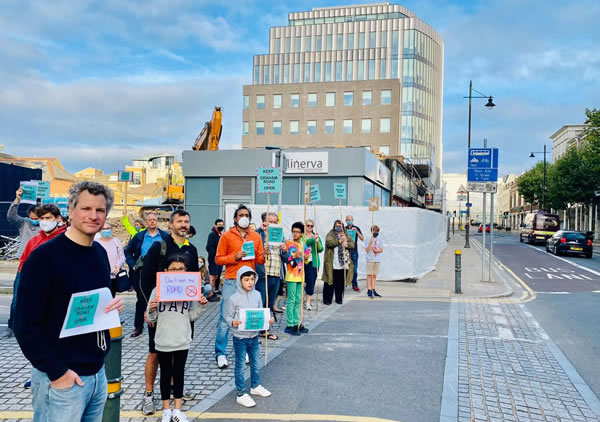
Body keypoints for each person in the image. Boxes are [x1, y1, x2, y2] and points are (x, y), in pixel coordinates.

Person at [14, 181, 124, 422]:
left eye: (100, 210)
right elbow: (24, 325)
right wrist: (58, 373)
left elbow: (90, 305)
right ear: (71, 211)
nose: (93, 216)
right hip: (62, 379)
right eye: (86, 209)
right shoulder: (45, 257)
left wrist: (110, 306)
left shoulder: (100, 253)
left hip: (96, 374)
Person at [139, 209, 200, 416]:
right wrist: (150, 309)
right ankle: (148, 394)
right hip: (160, 314)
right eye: (180, 221)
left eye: (187, 221)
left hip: (182, 313)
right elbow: (145, 280)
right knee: (155, 352)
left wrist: (197, 304)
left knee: (179, 351)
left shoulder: (192, 250)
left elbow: (194, 283)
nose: (184, 224)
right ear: (170, 225)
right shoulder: (159, 247)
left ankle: (174, 393)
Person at [147, 255, 208, 422]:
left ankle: (177, 410)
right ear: (165, 271)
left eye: (180, 269)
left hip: (182, 339)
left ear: (186, 271)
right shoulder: (156, 290)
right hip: (163, 340)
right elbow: (151, 319)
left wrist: (202, 306)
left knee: (179, 373)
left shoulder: (189, 288)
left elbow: (192, 315)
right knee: (165, 374)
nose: (177, 272)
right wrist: (151, 310)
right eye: (173, 269)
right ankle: (166, 410)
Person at [214, 205, 265, 369]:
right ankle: (220, 353)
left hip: (249, 280)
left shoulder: (256, 236)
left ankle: (246, 352)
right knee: (225, 318)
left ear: (250, 218)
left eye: (247, 215)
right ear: (235, 218)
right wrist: (234, 257)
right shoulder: (227, 236)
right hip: (231, 280)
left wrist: (265, 254)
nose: (244, 217)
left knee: (248, 316)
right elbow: (218, 259)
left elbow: (259, 260)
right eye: (241, 215)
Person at [224, 266, 273, 408]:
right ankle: (240, 392)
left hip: (254, 336)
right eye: (246, 280)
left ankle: (255, 385)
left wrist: (268, 319)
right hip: (239, 337)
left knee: (255, 362)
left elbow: (260, 312)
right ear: (240, 281)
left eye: (252, 279)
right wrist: (232, 322)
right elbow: (227, 316)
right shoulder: (233, 299)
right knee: (240, 365)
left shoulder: (257, 295)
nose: (250, 282)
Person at [124, 212, 169, 338]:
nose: (152, 222)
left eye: (154, 219)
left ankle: (159, 324)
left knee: (160, 298)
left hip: (160, 271)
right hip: (142, 271)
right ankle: (138, 327)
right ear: (146, 222)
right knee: (141, 300)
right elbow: (127, 251)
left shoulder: (165, 236)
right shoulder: (139, 236)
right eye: (149, 220)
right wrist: (133, 264)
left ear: (157, 221)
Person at [6, 187, 39, 331]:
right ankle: (13, 323)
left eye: (37, 219)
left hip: (40, 265)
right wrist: (17, 200)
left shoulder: (46, 227)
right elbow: (11, 217)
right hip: (24, 264)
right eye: (32, 218)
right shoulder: (24, 223)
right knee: (18, 297)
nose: (34, 221)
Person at [256, 212, 288, 340]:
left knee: (270, 302)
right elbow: (251, 241)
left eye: (275, 221)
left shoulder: (280, 237)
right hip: (263, 274)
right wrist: (260, 229)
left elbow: (285, 259)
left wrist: (284, 250)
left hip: (276, 274)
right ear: (264, 222)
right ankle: (259, 329)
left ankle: (265, 329)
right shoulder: (259, 234)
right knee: (261, 301)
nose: (273, 224)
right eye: (271, 221)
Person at [284, 222, 309, 336]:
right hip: (291, 275)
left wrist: (306, 256)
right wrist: (295, 255)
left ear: (302, 233)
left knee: (298, 300)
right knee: (291, 300)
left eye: (297, 232)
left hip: (300, 275)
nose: (295, 234)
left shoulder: (304, 244)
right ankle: (290, 324)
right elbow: (287, 257)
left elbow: (307, 260)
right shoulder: (289, 243)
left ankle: (297, 322)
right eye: (293, 231)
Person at [322, 220, 355, 305]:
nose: (338, 227)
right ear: (334, 226)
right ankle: (327, 300)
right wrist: (340, 241)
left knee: (340, 283)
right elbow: (330, 243)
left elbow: (352, 244)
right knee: (329, 282)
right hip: (332, 262)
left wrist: (346, 244)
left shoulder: (346, 234)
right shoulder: (331, 234)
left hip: (343, 264)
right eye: (337, 226)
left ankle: (339, 299)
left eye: (340, 226)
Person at [95, 222, 126, 297]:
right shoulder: (96, 242)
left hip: (114, 276)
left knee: (111, 296)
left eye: (108, 228)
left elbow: (122, 257)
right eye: (104, 229)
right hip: (101, 277)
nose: (106, 230)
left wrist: (118, 265)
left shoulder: (116, 241)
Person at [303, 219, 323, 310]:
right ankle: (297, 301)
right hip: (302, 262)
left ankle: (308, 302)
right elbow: (305, 243)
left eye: (311, 226)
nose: (310, 227)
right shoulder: (302, 236)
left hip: (313, 262)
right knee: (300, 282)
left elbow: (320, 249)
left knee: (311, 282)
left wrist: (317, 242)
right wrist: (312, 240)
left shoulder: (316, 236)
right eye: (308, 225)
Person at [345, 215, 364, 292]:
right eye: (347, 220)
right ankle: (345, 282)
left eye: (350, 219)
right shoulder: (344, 229)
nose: (349, 221)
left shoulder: (356, 228)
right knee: (345, 268)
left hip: (354, 251)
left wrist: (357, 231)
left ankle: (355, 285)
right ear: (345, 220)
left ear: (353, 220)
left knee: (355, 269)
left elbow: (362, 238)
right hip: (346, 251)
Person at [206, 219, 225, 295]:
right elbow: (209, 247)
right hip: (214, 259)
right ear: (215, 225)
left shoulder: (221, 235)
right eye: (219, 225)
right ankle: (210, 293)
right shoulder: (212, 235)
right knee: (212, 276)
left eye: (222, 225)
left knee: (217, 276)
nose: (221, 226)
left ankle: (214, 291)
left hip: (220, 259)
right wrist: (215, 256)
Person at [365, 225, 384, 298]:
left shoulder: (380, 239)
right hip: (370, 259)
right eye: (374, 231)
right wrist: (370, 242)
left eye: (377, 231)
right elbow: (367, 250)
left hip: (377, 259)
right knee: (369, 274)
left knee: (374, 275)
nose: (375, 232)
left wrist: (377, 250)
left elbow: (381, 249)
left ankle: (373, 289)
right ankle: (369, 290)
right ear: (371, 231)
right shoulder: (368, 238)